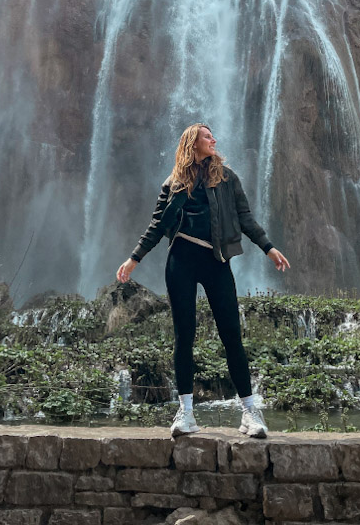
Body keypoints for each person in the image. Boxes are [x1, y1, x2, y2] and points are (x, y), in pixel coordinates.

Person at [116, 123, 290, 438]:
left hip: (215, 260)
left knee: (231, 336)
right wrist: (134, 259)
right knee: (185, 337)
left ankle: (250, 411)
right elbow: (157, 225)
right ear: (191, 142)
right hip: (181, 260)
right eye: (207, 136)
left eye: (213, 136)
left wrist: (269, 248)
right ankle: (186, 413)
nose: (214, 140)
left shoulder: (226, 178)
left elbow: (245, 217)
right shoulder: (173, 183)